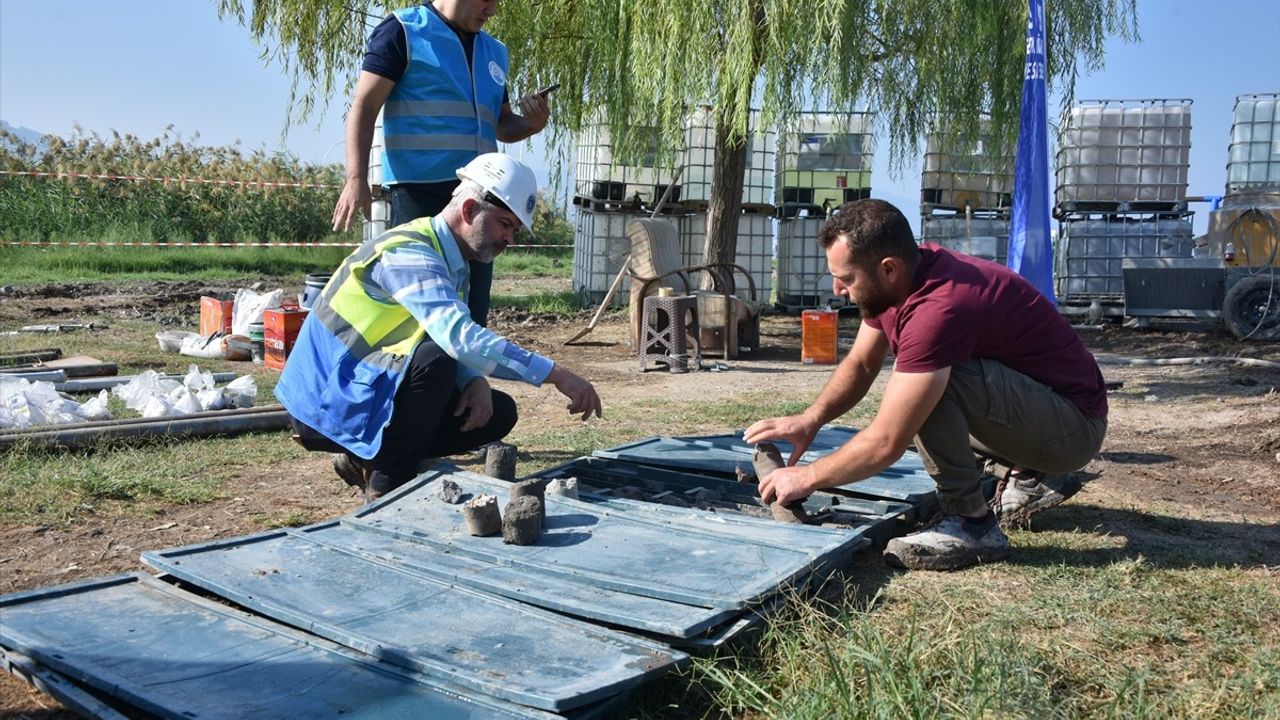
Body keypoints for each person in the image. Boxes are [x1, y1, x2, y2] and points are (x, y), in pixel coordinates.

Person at [744, 199, 1107, 571]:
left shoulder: (937, 308)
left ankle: (972, 524)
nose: (838, 288)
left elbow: (887, 441)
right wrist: (812, 419)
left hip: (1072, 428)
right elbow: (862, 362)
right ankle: (1027, 473)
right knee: (923, 389)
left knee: (929, 390)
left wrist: (806, 477)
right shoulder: (903, 278)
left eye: (847, 278)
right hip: (1043, 411)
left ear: (887, 268)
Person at [280, 154, 601, 501]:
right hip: (325, 401)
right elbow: (458, 339)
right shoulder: (411, 253)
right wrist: (557, 374)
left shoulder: (451, 262)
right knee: (438, 360)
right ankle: (386, 485)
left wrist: (473, 380)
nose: (509, 238)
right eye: (505, 224)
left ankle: (362, 456)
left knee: (496, 413)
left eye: (514, 229)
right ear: (468, 210)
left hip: (360, 390)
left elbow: (444, 334)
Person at [331, 0, 551, 328]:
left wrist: (533, 124)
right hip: (419, 195)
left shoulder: (495, 52)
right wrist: (355, 177)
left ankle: (468, 379)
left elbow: (501, 124)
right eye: (486, 0)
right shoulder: (403, 31)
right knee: (416, 309)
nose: (492, 10)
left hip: (481, 200)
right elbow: (364, 103)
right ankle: (417, 377)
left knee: (473, 309)